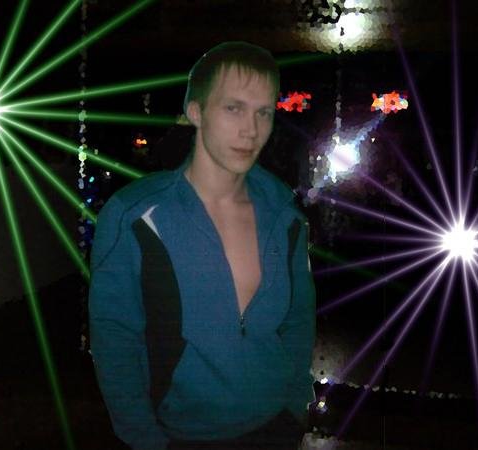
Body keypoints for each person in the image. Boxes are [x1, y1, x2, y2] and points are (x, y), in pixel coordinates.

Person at [89, 41, 316, 450]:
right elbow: (115, 340)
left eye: (263, 112)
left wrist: (296, 405)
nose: (251, 130)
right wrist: (145, 439)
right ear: (196, 112)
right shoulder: (135, 216)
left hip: (276, 430)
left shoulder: (285, 217)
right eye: (234, 108)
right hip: (180, 436)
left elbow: (299, 320)